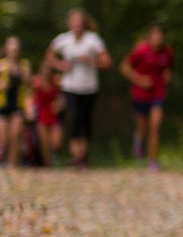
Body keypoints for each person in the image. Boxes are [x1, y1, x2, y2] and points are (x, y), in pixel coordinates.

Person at [48, 9, 110, 167]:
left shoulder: (93, 40)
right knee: (74, 119)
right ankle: (76, 156)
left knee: (85, 121)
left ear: (84, 25)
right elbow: (49, 57)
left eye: (80, 24)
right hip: (70, 87)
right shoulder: (63, 40)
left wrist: (91, 61)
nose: (77, 27)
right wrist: (61, 65)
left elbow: (107, 62)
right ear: (70, 24)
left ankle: (83, 156)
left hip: (89, 87)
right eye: (74, 23)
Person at [122, 23, 174, 172]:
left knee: (155, 126)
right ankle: (138, 140)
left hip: (158, 94)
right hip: (140, 94)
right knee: (143, 127)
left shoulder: (167, 52)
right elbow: (125, 67)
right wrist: (139, 80)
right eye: (155, 35)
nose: (158, 38)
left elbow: (168, 68)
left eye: (160, 35)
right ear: (149, 37)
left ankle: (153, 161)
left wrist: (167, 75)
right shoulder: (141, 50)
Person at [0, 37, 32, 168]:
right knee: (3, 140)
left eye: (16, 48)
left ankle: (12, 164)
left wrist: (29, 106)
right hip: (2, 105)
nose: (14, 50)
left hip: (18, 105)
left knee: (16, 136)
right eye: (12, 48)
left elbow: (30, 86)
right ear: (7, 49)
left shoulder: (24, 66)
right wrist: (0, 85)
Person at [32, 60, 64, 167]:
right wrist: (30, 108)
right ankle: (48, 165)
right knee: (44, 143)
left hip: (53, 114)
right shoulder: (36, 82)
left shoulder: (56, 81)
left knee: (56, 143)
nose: (46, 72)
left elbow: (63, 97)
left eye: (48, 70)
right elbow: (30, 96)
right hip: (41, 114)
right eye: (44, 70)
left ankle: (54, 156)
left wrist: (60, 104)